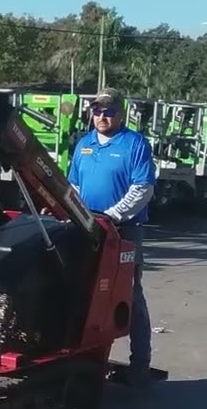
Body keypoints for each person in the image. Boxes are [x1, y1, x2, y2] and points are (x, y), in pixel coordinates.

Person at [66, 88, 157, 387]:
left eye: (108, 111)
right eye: (97, 111)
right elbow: (74, 185)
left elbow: (143, 188)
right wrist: (74, 212)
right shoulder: (84, 145)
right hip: (86, 227)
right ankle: (88, 358)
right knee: (87, 292)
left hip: (124, 229)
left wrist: (113, 215)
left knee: (129, 294)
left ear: (120, 113)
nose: (102, 117)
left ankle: (140, 364)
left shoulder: (134, 144)